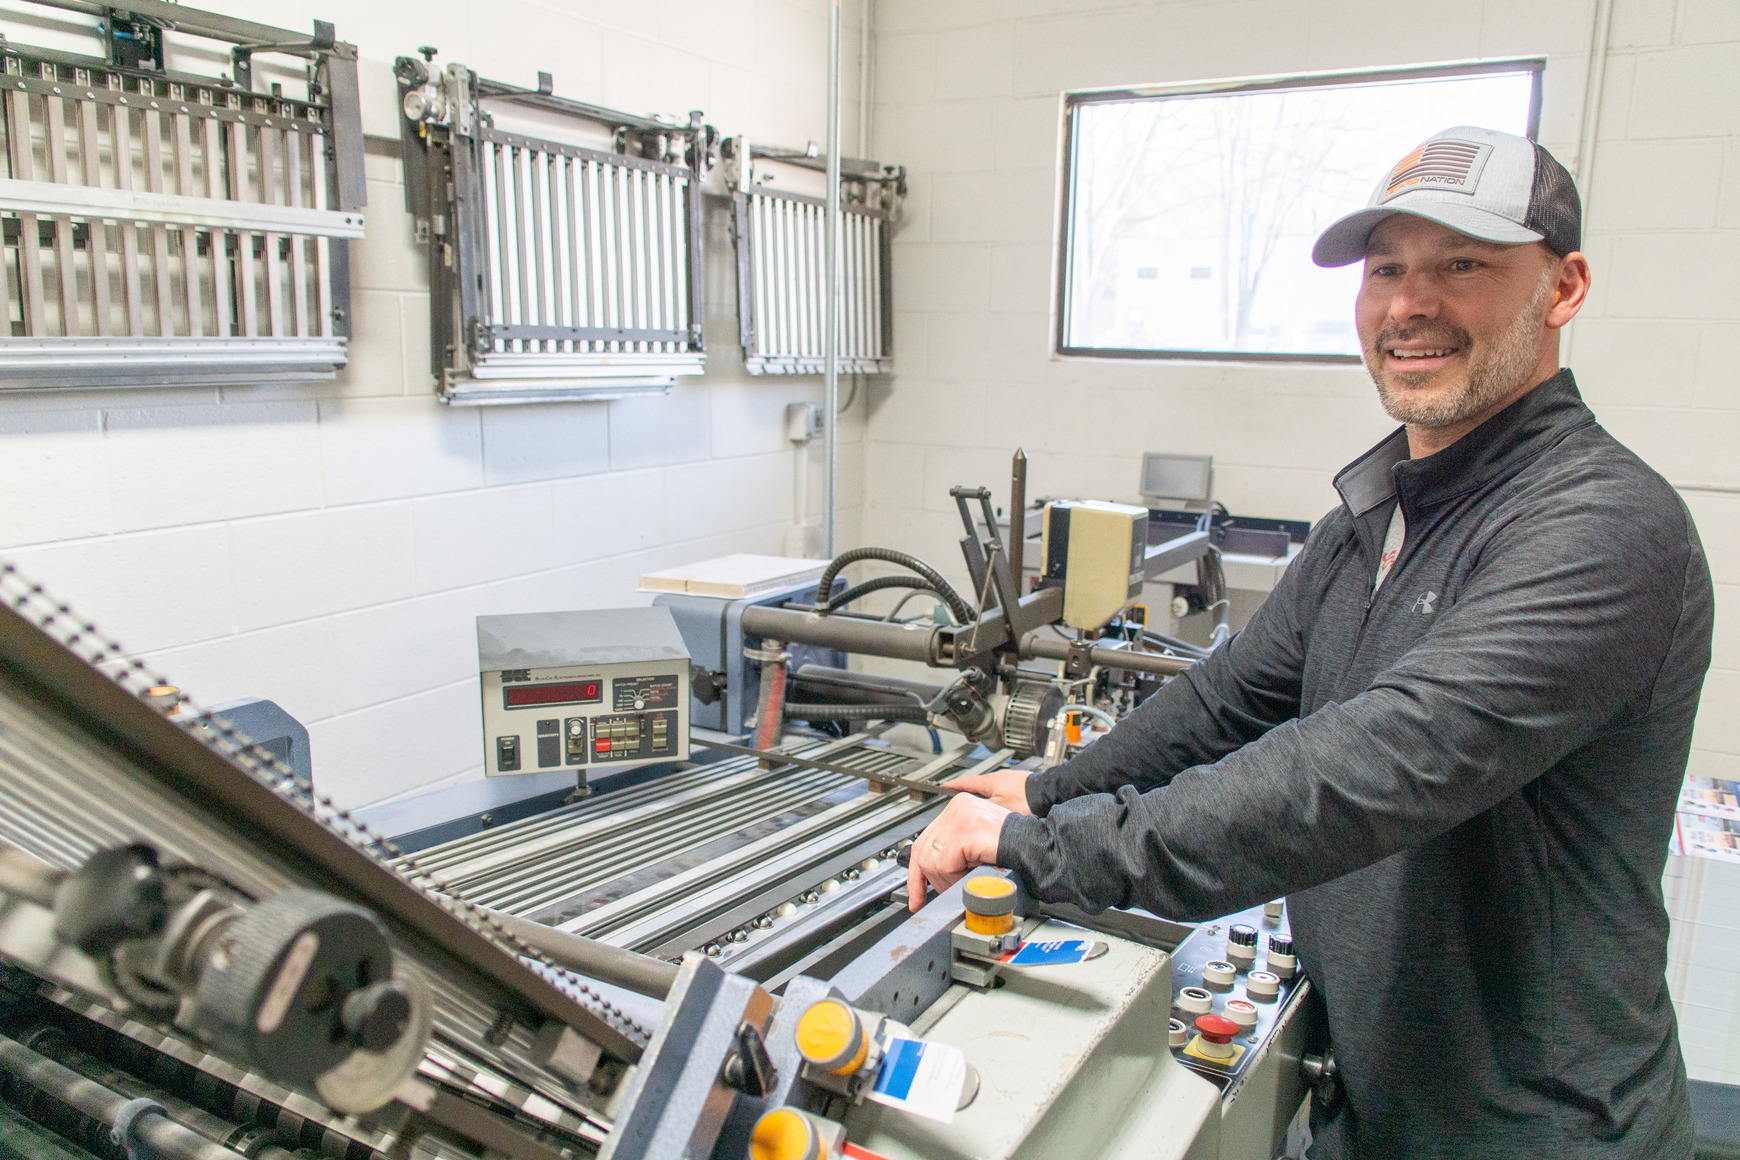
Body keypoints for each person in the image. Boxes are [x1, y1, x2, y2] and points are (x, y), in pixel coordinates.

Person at [907, 126, 1713, 1158]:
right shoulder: (1371, 519)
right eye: (1387, 270)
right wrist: (1048, 789)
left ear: (1564, 287)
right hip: (1368, 1100)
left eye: (1462, 266)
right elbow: (1229, 699)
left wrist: (1048, 849)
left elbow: (1368, 768)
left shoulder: (1604, 527)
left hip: (1536, 1127)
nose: (1411, 304)